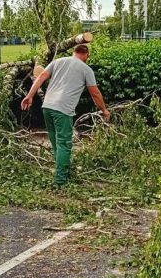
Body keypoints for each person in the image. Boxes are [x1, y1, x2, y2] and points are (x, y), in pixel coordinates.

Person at [21, 44, 110, 186]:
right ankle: (60, 180)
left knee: (56, 143)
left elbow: (41, 76)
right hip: (62, 110)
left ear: (74, 52)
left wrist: (30, 96)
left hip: (47, 107)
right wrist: (104, 110)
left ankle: (61, 172)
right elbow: (95, 93)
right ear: (86, 55)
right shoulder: (86, 69)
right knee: (64, 144)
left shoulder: (58, 62)